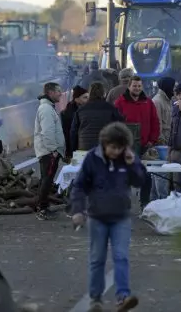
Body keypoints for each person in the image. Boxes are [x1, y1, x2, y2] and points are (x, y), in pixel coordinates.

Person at [70, 122, 145, 312]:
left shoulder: (126, 158)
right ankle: (95, 299)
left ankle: (123, 298)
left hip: (121, 217)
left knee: (121, 257)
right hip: (97, 217)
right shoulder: (92, 159)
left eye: (119, 148)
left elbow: (141, 181)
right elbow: (79, 186)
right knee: (97, 258)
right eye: (113, 147)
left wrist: (133, 164)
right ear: (104, 143)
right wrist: (78, 210)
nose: (115, 151)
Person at [115, 75, 158, 208]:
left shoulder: (148, 103)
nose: (137, 88)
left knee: (146, 176)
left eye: (139, 86)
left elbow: (155, 122)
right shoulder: (120, 103)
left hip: (144, 146)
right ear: (129, 86)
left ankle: (144, 204)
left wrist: (152, 140)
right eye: (134, 85)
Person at [34, 82, 66, 220]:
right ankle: (41, 209)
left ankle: (44, 206)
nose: (61, 93)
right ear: (51, 92)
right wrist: (53, 149)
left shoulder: (47, 107)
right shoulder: (46, 109)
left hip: (48, 151)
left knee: (47, 179)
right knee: (46, 180)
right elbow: (47, 132)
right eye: (58, 91)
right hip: (49, 152)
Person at [71, 82, 123, 152]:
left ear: (90, 93)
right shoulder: (110, 108)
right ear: (103, 93)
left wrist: (73, 149)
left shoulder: (81, 110)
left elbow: (73, 131)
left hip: (85, 147)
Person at [151, 77, 174, 201]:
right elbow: (157, 123)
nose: (174, 89)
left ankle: (154, 201)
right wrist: (161, 140)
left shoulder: (166, 100)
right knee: (161, 173)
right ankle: (162, 201)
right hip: (162, 143)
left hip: (167, 141)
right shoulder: (158, 101)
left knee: (159, 173)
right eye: (173, 86)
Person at [61, 85, 88, 161]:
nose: (88, 99)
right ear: (76, 99)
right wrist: (69, 152)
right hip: (77, 149)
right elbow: (67, 134)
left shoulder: (86, 108)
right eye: (85, 97)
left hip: (85, 146)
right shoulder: (69, 113)